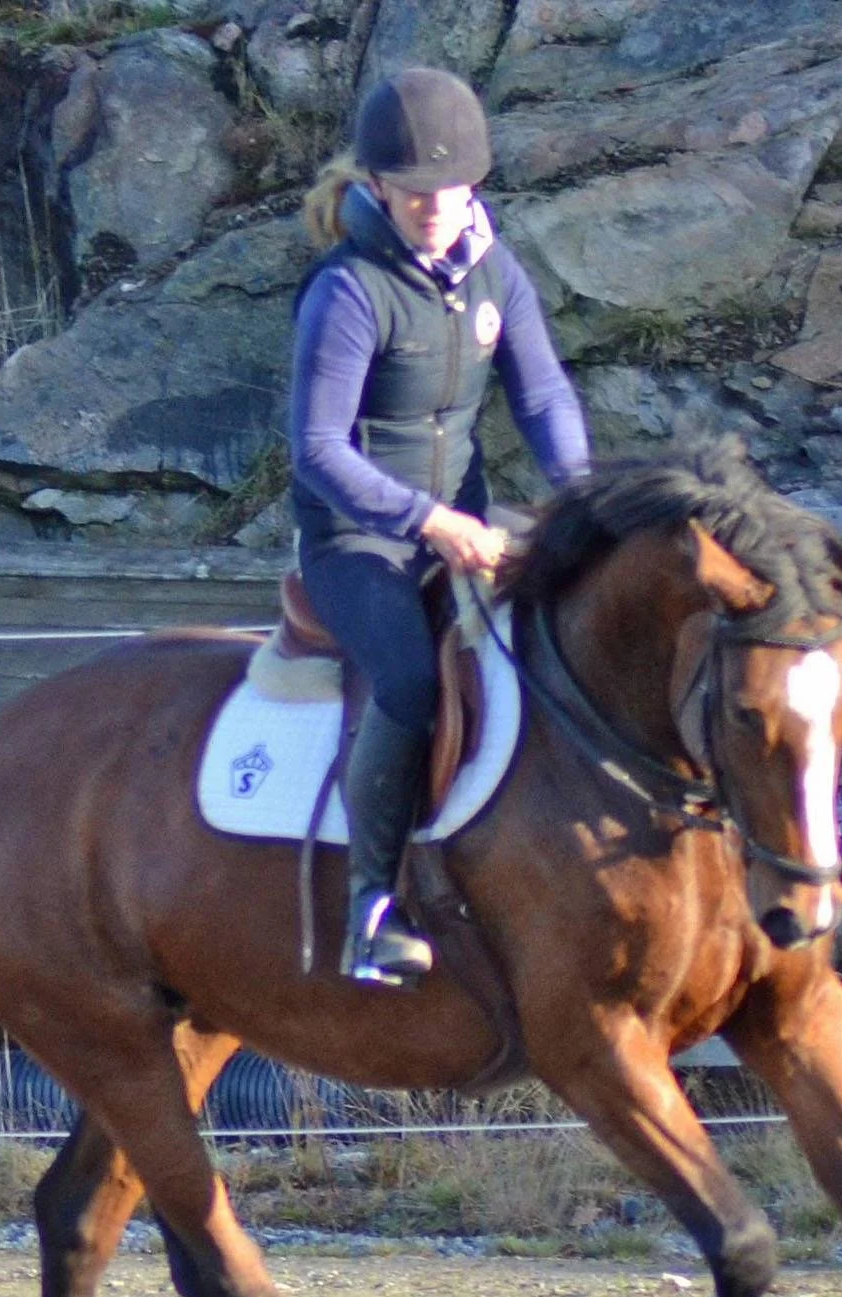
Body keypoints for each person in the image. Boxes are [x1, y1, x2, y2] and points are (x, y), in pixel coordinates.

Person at [290, 66, 590, 987]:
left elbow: (540, 395)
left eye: (448, 191)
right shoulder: (346, 291)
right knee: (414, 684)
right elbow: (316, 449)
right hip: (358, 542)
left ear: (475, 187)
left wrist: (582, 498)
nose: (432, 208)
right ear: (376, 187)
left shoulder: (500, 271)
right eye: (412, 193)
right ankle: (371, 909)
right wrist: (432, 524)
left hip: (467, 520)